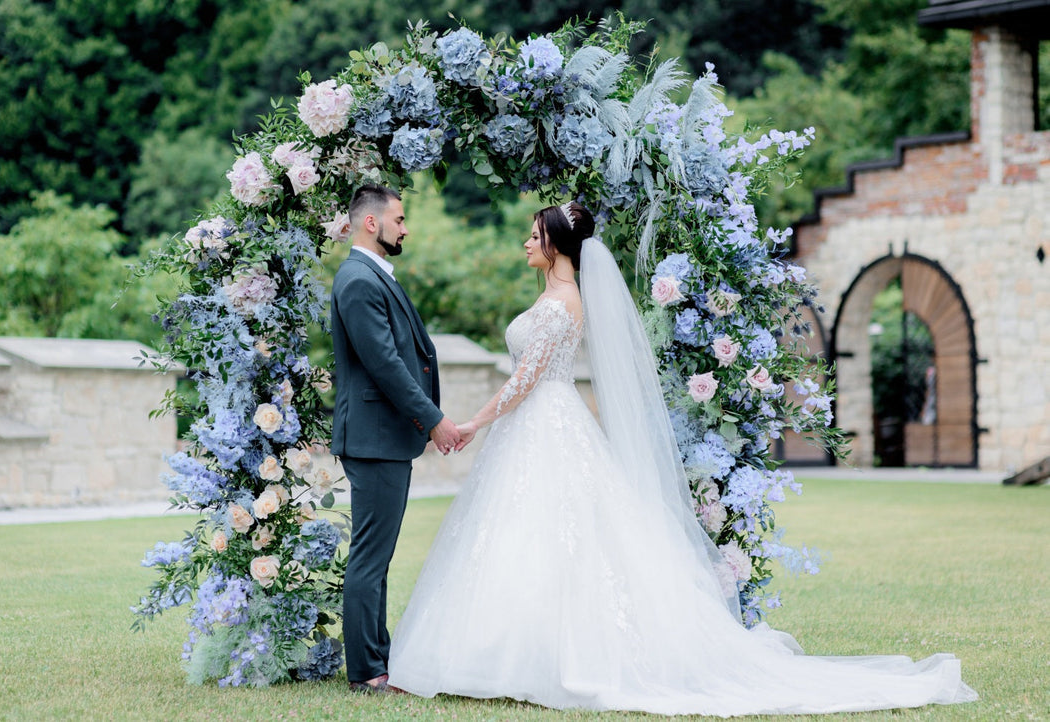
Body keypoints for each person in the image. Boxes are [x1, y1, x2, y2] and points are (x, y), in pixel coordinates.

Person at [385, 201, 978, 715]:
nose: (525, 242)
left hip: (547, 422)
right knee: (528, 535)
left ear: (556, 246)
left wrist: (468, 423)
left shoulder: (563, 304)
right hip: (543, 427)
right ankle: (507, 651)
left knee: (558, 535)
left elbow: (525, 382)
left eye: (534, 235)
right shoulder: (553, 298)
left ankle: (535, 657)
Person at [329, 184, 463, 694]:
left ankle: (377, 658)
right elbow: (384, 364)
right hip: (374, 437)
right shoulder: (359, 280)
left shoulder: (372, 274)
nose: (405, 228)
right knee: (370, 557)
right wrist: (433, 419)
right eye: (400, 219)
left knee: (377, 556)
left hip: (380, 437)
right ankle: (367, 672)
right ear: (371, 223)